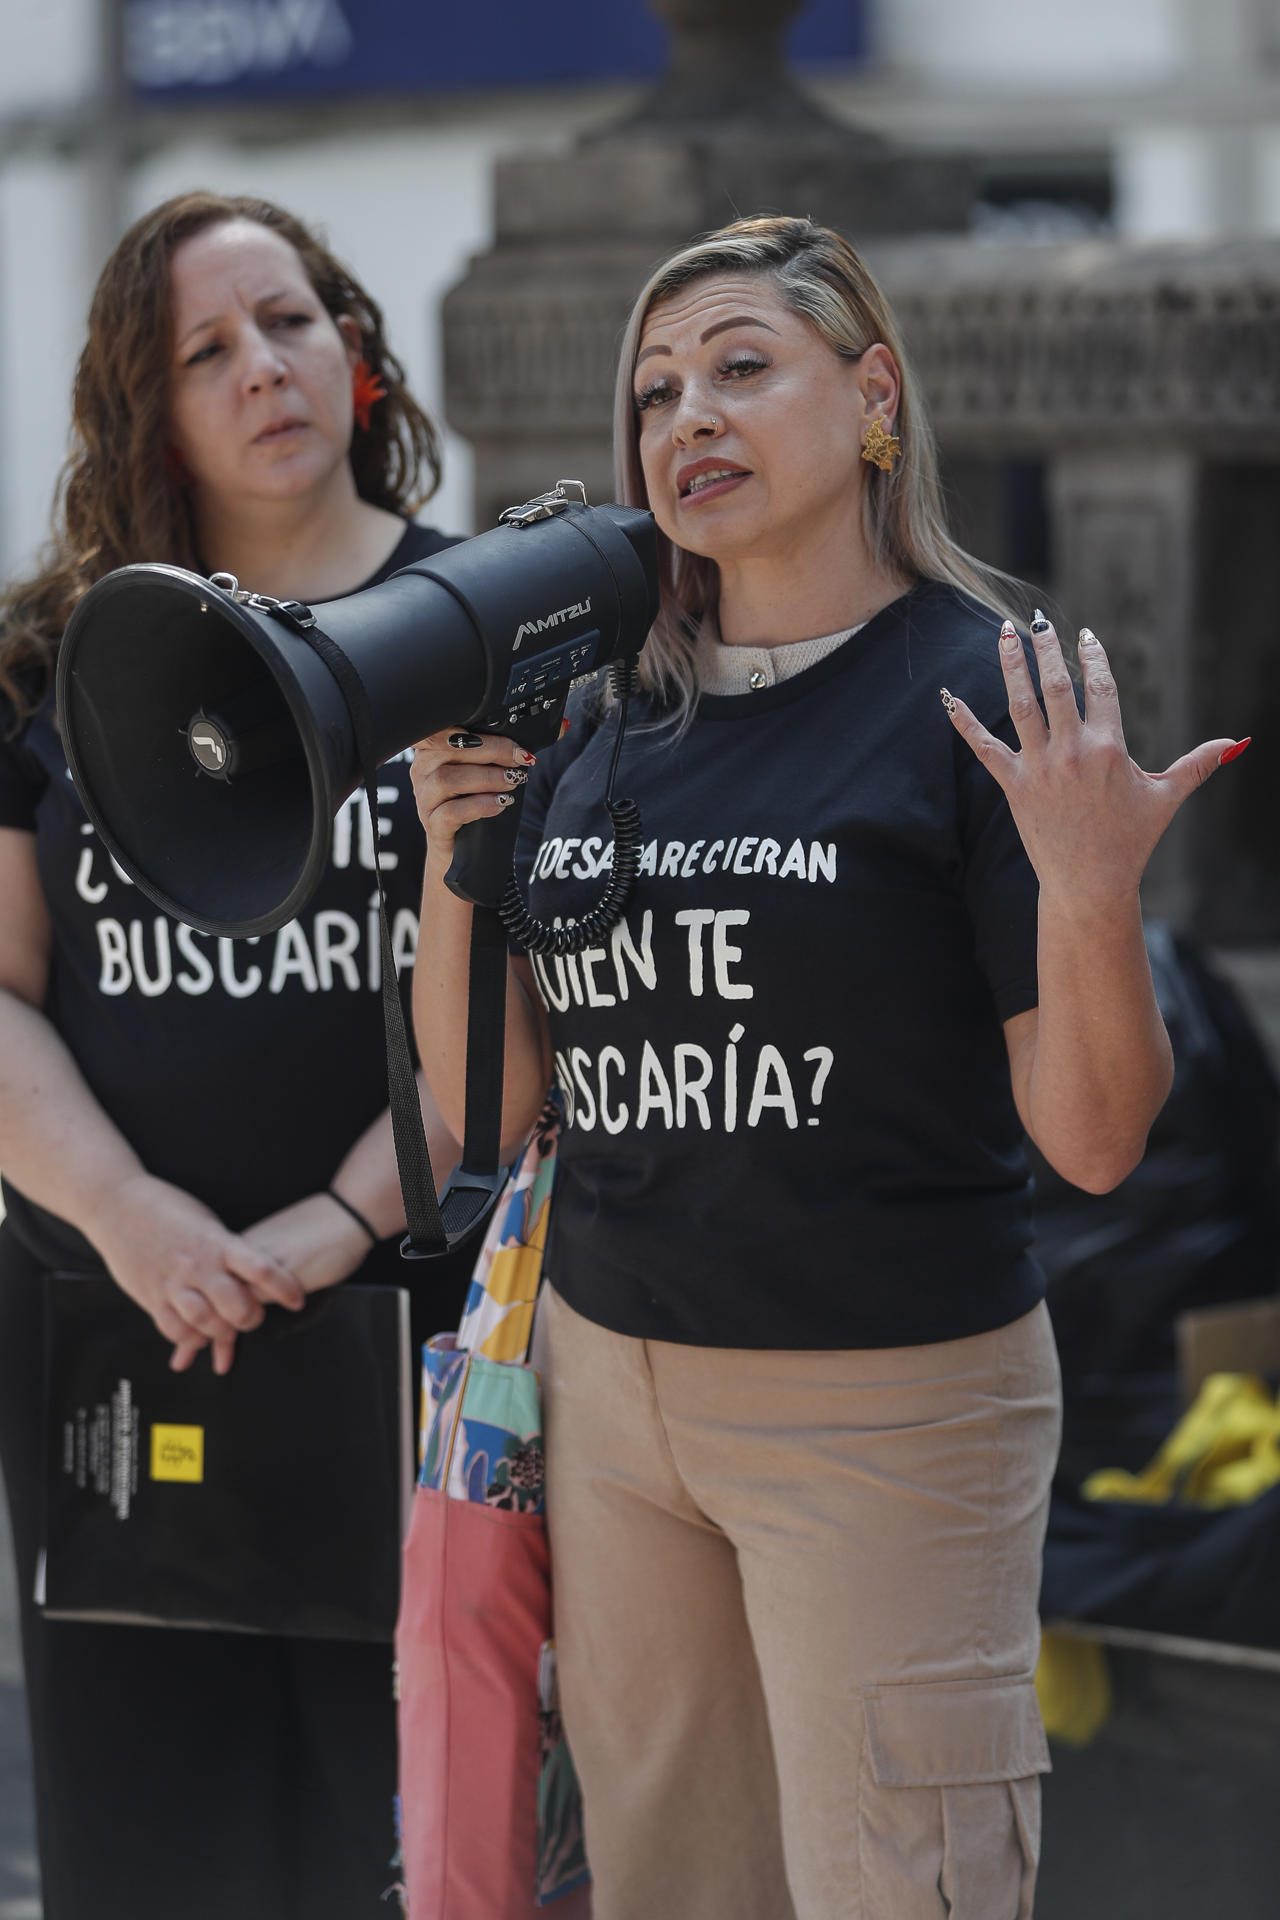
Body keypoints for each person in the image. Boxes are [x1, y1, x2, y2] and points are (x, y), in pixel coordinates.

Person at [407, 216, 1250, 1920]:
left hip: (885, 1406)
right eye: (653, 393)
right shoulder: (596, 717)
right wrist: (451, 857)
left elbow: (1093, 1141)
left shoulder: (982, 690)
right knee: (666, 1888)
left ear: (872, 398)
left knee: (899, 1887)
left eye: (738, 368)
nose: (685, 419)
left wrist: (1090, 889)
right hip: (617, 1391)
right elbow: (485, 1115)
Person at [0, 191, 471, 1920]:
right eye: (206, 349)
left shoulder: (469, 631)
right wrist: (128, 1214)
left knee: (412, 1838)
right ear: (150, 412)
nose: (264, 367)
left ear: (353, 343)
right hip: (118, 1333)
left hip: (413, 1322)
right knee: (154, 1857)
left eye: (291, 318)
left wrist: (340, 1227)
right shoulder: (48, 661)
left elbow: (526, 1012)